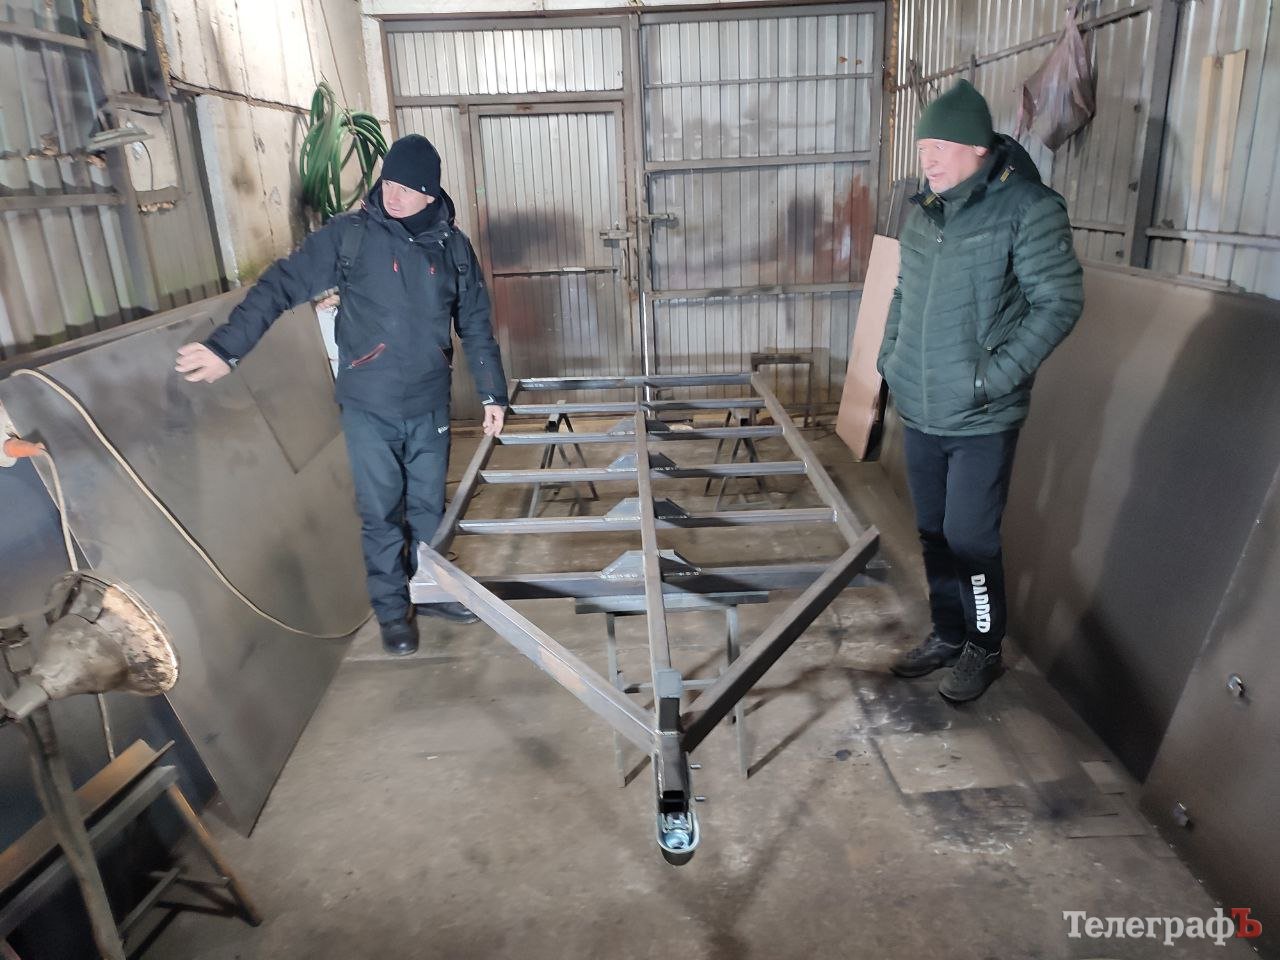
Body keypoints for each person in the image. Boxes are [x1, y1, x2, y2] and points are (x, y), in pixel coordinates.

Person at [174, 135, 507, 657]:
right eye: (388, 182)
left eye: (407, 188)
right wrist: (226, 348)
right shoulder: (350, 236)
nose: (393, 194)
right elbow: (280, 285)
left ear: (430, 193)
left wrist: (492, 393)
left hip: (428, 404)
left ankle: (433, 589)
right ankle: (393, 611)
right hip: (369, 405)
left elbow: (476, 323)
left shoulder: (453, 248)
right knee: (381, 512)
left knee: (428, 509)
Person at [877, 80, 1084, 702]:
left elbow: (1059, 302)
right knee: (933, 531)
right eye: (923, 149)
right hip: (920, 407)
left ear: (977, 148)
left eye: (939, 147)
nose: (928, 160)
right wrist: (892, 359)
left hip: (980, 416)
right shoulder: (924, 214)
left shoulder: (1027, 209)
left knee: (970, 537)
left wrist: (991, 379)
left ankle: (983, 647)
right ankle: (947, 633)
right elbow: (902, 293)